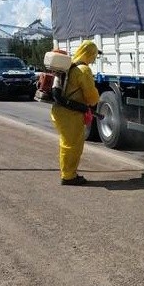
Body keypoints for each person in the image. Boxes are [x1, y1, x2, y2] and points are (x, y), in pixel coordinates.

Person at [50, 40, 101, 186]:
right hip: (70, 114)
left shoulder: (69, 65)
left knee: (68, 143)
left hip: (61, 111)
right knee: (72, 145)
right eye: (94, 55)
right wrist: (94, 101)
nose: (94, 59)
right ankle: (68, 176)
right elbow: (91, 96)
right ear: (89, 54)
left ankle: (68, 173)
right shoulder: (83, 70)